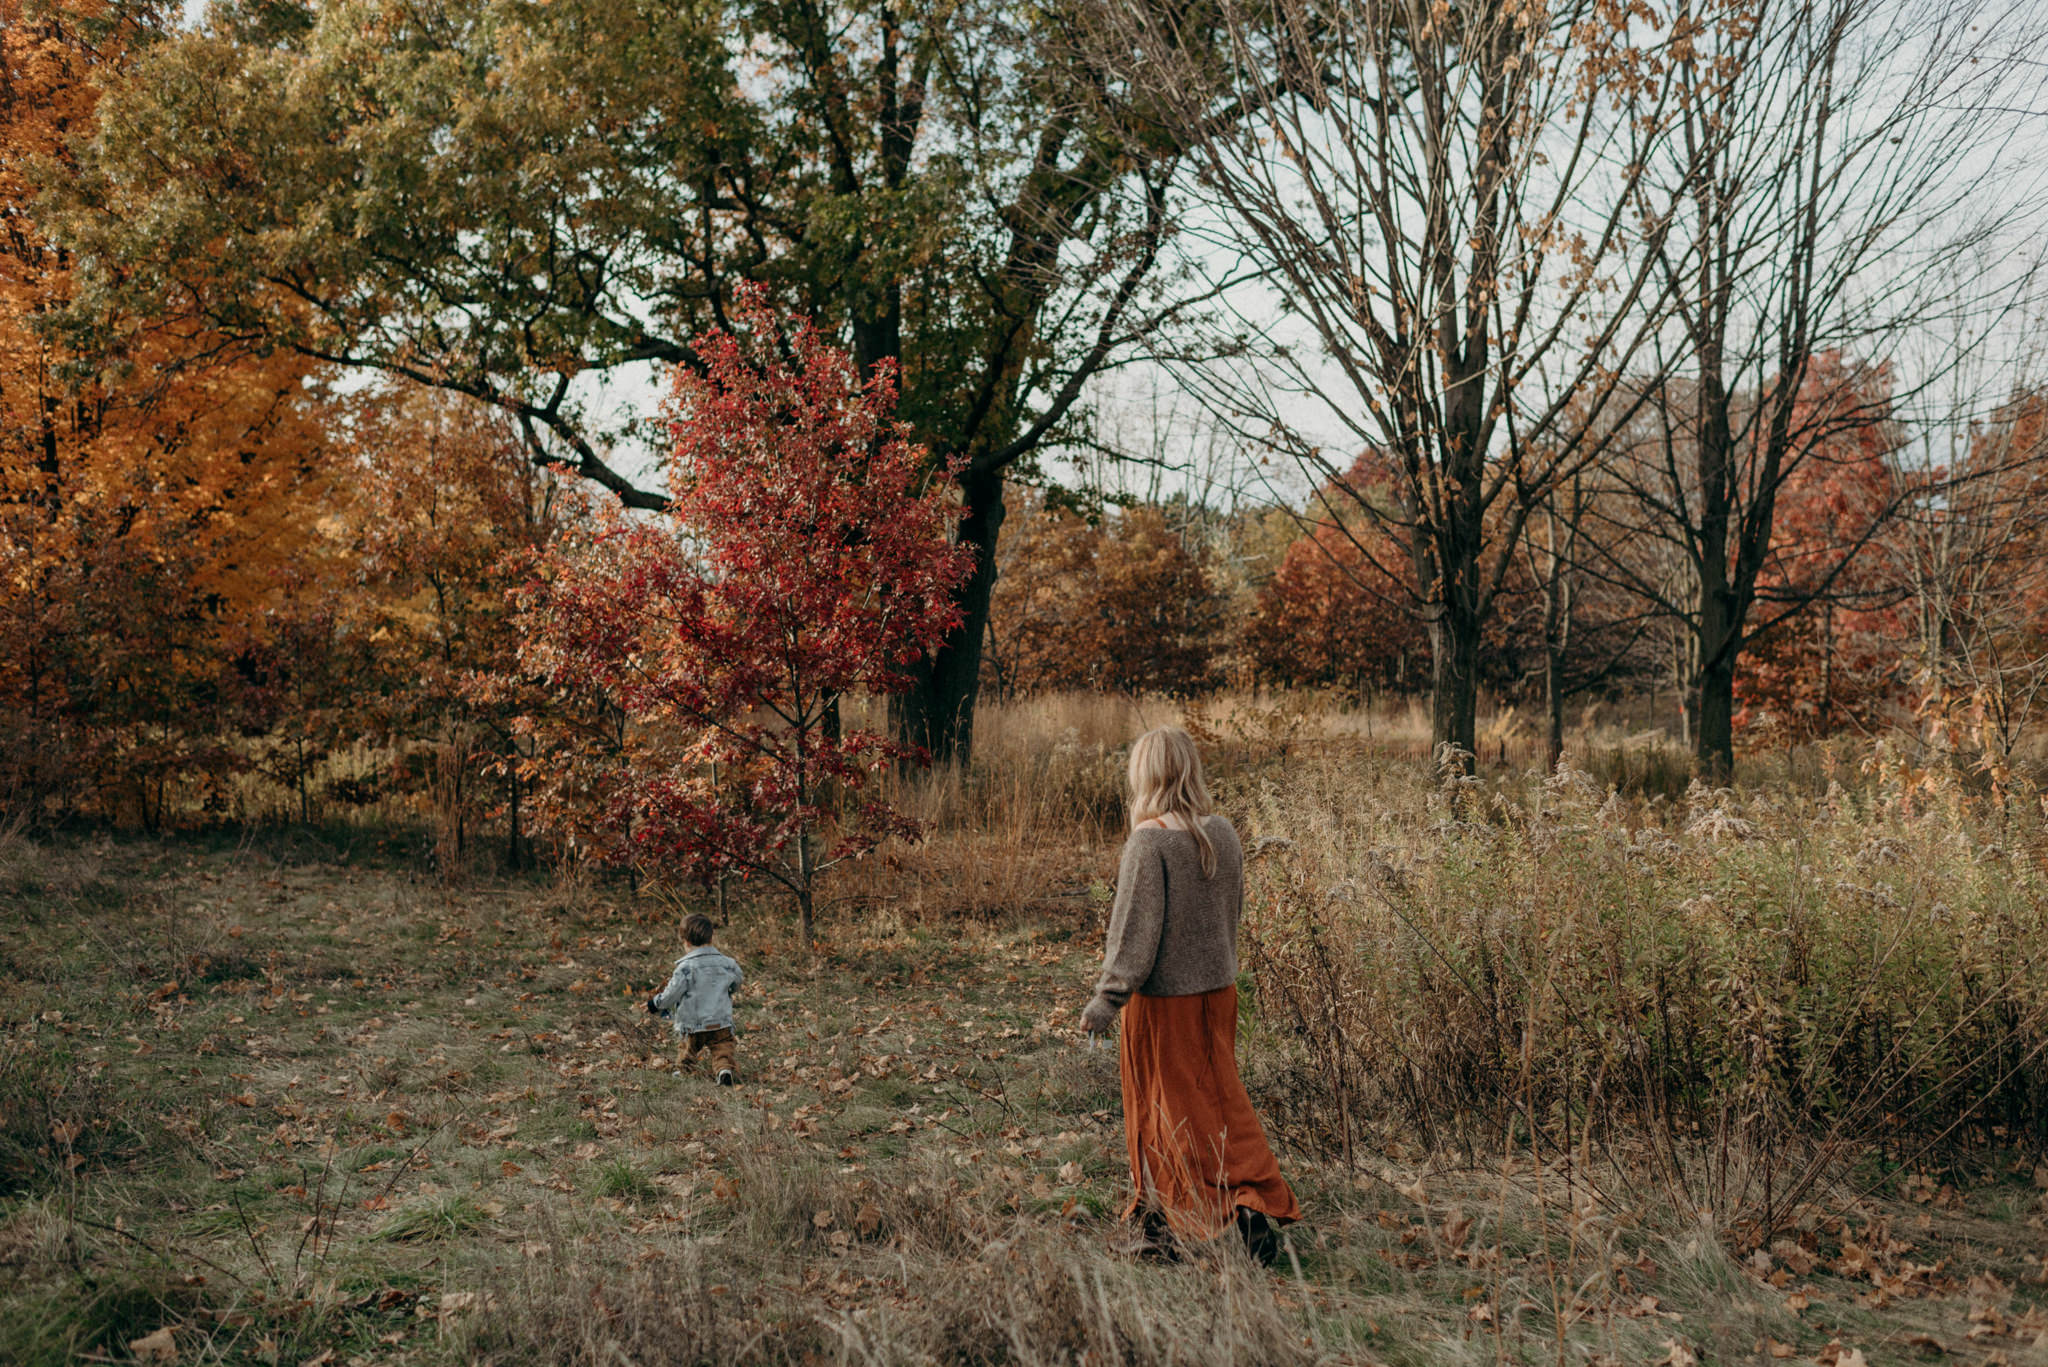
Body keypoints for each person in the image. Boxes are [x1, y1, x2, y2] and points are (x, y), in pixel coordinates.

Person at [1080, 725, 1300, 1264]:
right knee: (1220, 1110)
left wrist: (1106, 1002)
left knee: (1164, 1117)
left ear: (1145, 774)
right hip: (1218, 995)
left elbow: (1135, 933)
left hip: (1165, 1006)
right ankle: (1240, 1204)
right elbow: (1232, 911)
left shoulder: (1149, 841)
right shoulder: (1221, 832)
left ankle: (1175, 1229)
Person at [648, 913, 744, 1086]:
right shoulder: (728, 963)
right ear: (711, 937)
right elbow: (737, 980)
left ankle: (684, 1071)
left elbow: (672, 993)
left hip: (693, 1023)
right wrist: (729, 990)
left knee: (688, 1049)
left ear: (686, 942)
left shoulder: (685, 968)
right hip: (720, 1021)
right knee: (722, 1048)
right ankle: (724, 1070)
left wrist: (656, 1003)